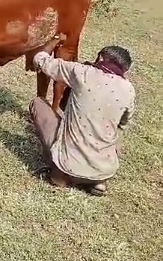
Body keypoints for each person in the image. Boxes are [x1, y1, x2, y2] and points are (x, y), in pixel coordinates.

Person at [29, 34, 135, 196]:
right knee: (114, 133)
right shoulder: (128, 90)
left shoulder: (82, 72)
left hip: (67, 166)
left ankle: (60, 176)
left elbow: (40, 59)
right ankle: (97, 183)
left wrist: (55, 40)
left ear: (100, 57)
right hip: (104, 170)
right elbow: (123, 123)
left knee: (38, 103)